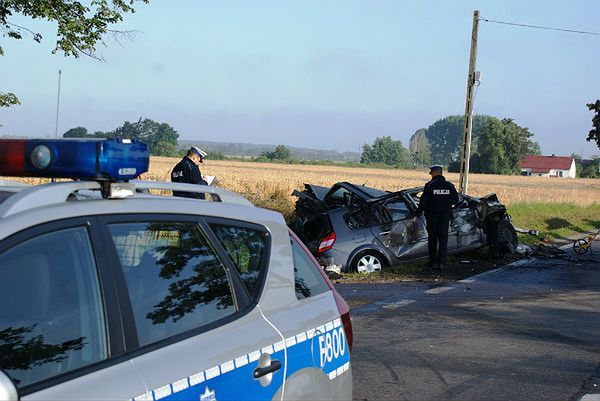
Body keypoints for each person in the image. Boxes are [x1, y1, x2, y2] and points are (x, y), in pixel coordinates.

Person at [414, 165, 459, 270]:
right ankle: (442, 264)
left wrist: (417, 215)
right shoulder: (449, 186)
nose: (430, 174)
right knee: (443, 240)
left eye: (431, 172)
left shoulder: (429, 186)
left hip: (432, 216)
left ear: (434, 173)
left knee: (432, 239)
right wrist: (446, 203)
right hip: (445, 216)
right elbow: (456, 200)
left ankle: (432, 263)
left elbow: (423, 202)